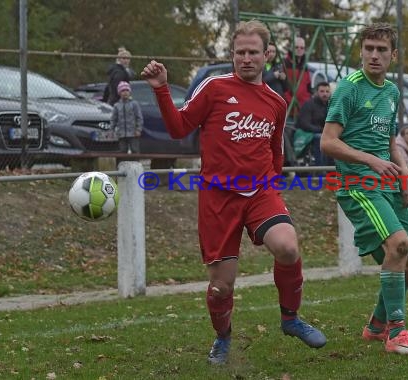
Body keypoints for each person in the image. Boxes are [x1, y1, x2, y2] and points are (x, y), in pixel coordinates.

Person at [140, 19, 326, 365]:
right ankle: (223, 338)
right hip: (217, 197)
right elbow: (178, 128)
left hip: (259, 192)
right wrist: (161, 89)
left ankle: (290, 319)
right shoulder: (213, 88)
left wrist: (273, 184)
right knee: (220, 287)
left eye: (253, 52)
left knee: (287, 246)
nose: (246, 58)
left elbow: (275, 152)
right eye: (239, 52)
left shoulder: (276, 102)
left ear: (267, 55)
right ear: (232, 54)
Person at [321, 23, 408, 354]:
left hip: (389, 183)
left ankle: (377, 326)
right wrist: (370, 161)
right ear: (361, 51)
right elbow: (327, 142)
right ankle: (396, 334)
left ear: (393, 55)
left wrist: (405, 170)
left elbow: (389, 140)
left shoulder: (392, 92)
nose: (374, 55)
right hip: (358, 183)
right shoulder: (348, 89)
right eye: (369, 48)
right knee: (398, 245)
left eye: (381, 50)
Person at [296, 81, 332, 166]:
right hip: (309, 134)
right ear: (316, 92)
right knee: (320, 138)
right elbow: (304, 124)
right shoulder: (309, 104)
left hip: (325, 133)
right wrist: (321, 130)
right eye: (322, 91)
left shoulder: (330, 105)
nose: (325, 94)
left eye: (327, 91)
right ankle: (321, 169)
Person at [110, 81, 143, 154]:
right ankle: (122, 164)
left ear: (129, 92)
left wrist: (138, 129)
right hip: (121, 133)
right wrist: (111, 130)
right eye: (122, 91)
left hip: (133, 133)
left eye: (127, 90)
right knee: (122, 150)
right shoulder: (117, 105)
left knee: (135, 150)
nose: (125, 92)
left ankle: (136, 164)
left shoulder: (134, 104)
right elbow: (113, 119)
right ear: (119, 93)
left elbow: (139, 118)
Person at [284, 37, 312, 117]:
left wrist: (307, 101)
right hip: (289, 107)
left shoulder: (305, 66)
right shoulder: (285, 64)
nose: (299, 49)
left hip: (303, 108)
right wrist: (289, 100)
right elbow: (283, 87)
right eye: (296, 47)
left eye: (302, 48)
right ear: (291, 48)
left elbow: (308, 86)